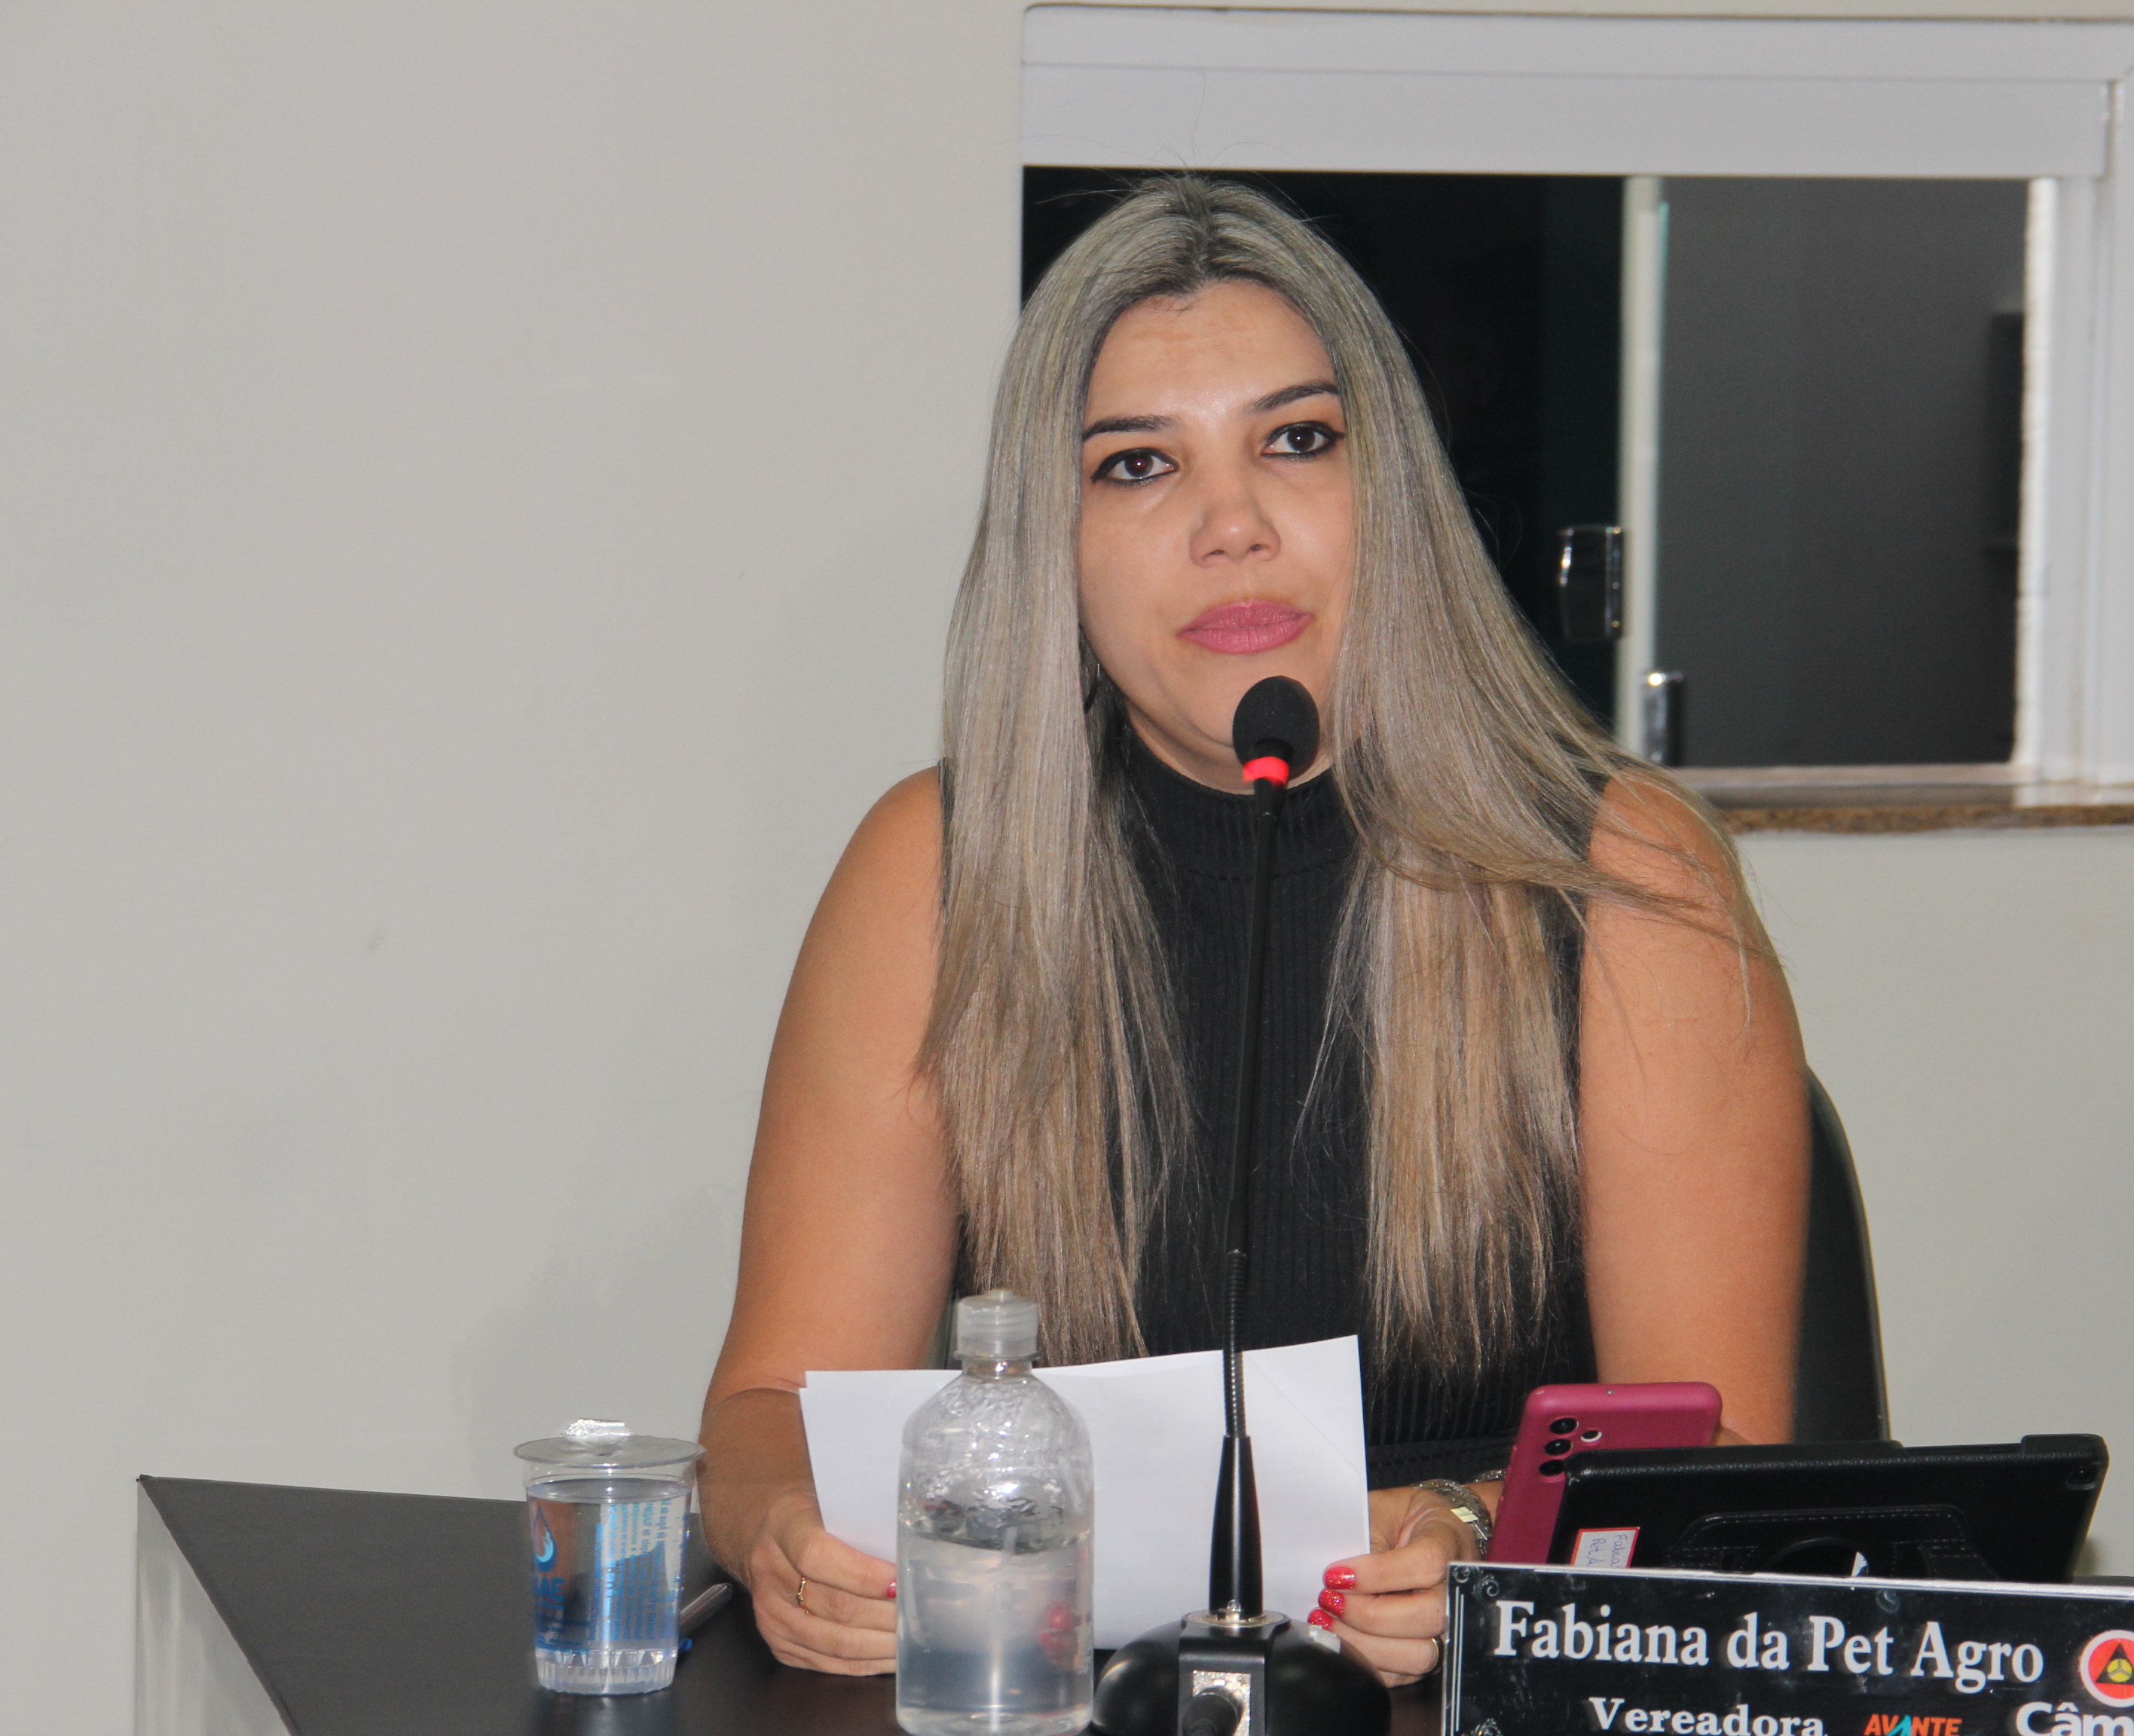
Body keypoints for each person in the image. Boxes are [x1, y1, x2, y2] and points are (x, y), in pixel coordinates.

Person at [698, 177, 1811, 1688]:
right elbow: (771, 1404)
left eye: (1297, 442)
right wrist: (779, 1529)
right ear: (1055, 545)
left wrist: (1482, 1531)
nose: (1231, 526)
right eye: (1138, 465)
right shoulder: (937, 870)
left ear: (1393, 494)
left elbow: (1720, 1461)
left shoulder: (1623, 874)